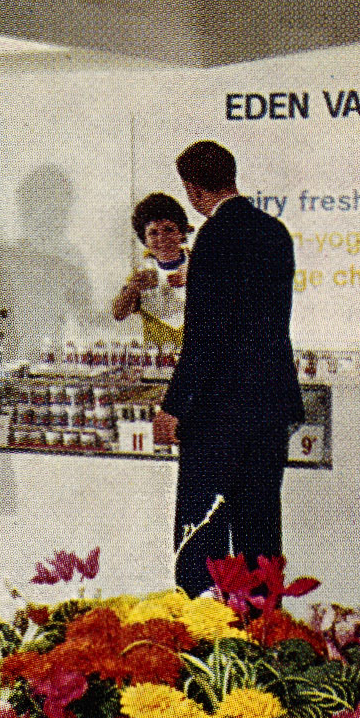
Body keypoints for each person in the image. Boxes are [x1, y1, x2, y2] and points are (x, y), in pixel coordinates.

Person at [152, 141, 303, 593]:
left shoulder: (212, 240)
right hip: (270, 403)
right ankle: (265, 632)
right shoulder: (276, 232)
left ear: (193, 190)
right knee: (260, 532)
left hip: (219, 410)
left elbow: (203, 336)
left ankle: (208, 635)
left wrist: (172, 406)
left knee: (204, 535)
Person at [111, 190, 192, 344]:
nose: (162, 238)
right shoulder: (142, 273)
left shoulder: (198, 264)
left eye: (169, 229)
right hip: (158, 358)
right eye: (153, 233)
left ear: (182, 232)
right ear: (145, 240)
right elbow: (118, 314)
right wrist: (133, 289)